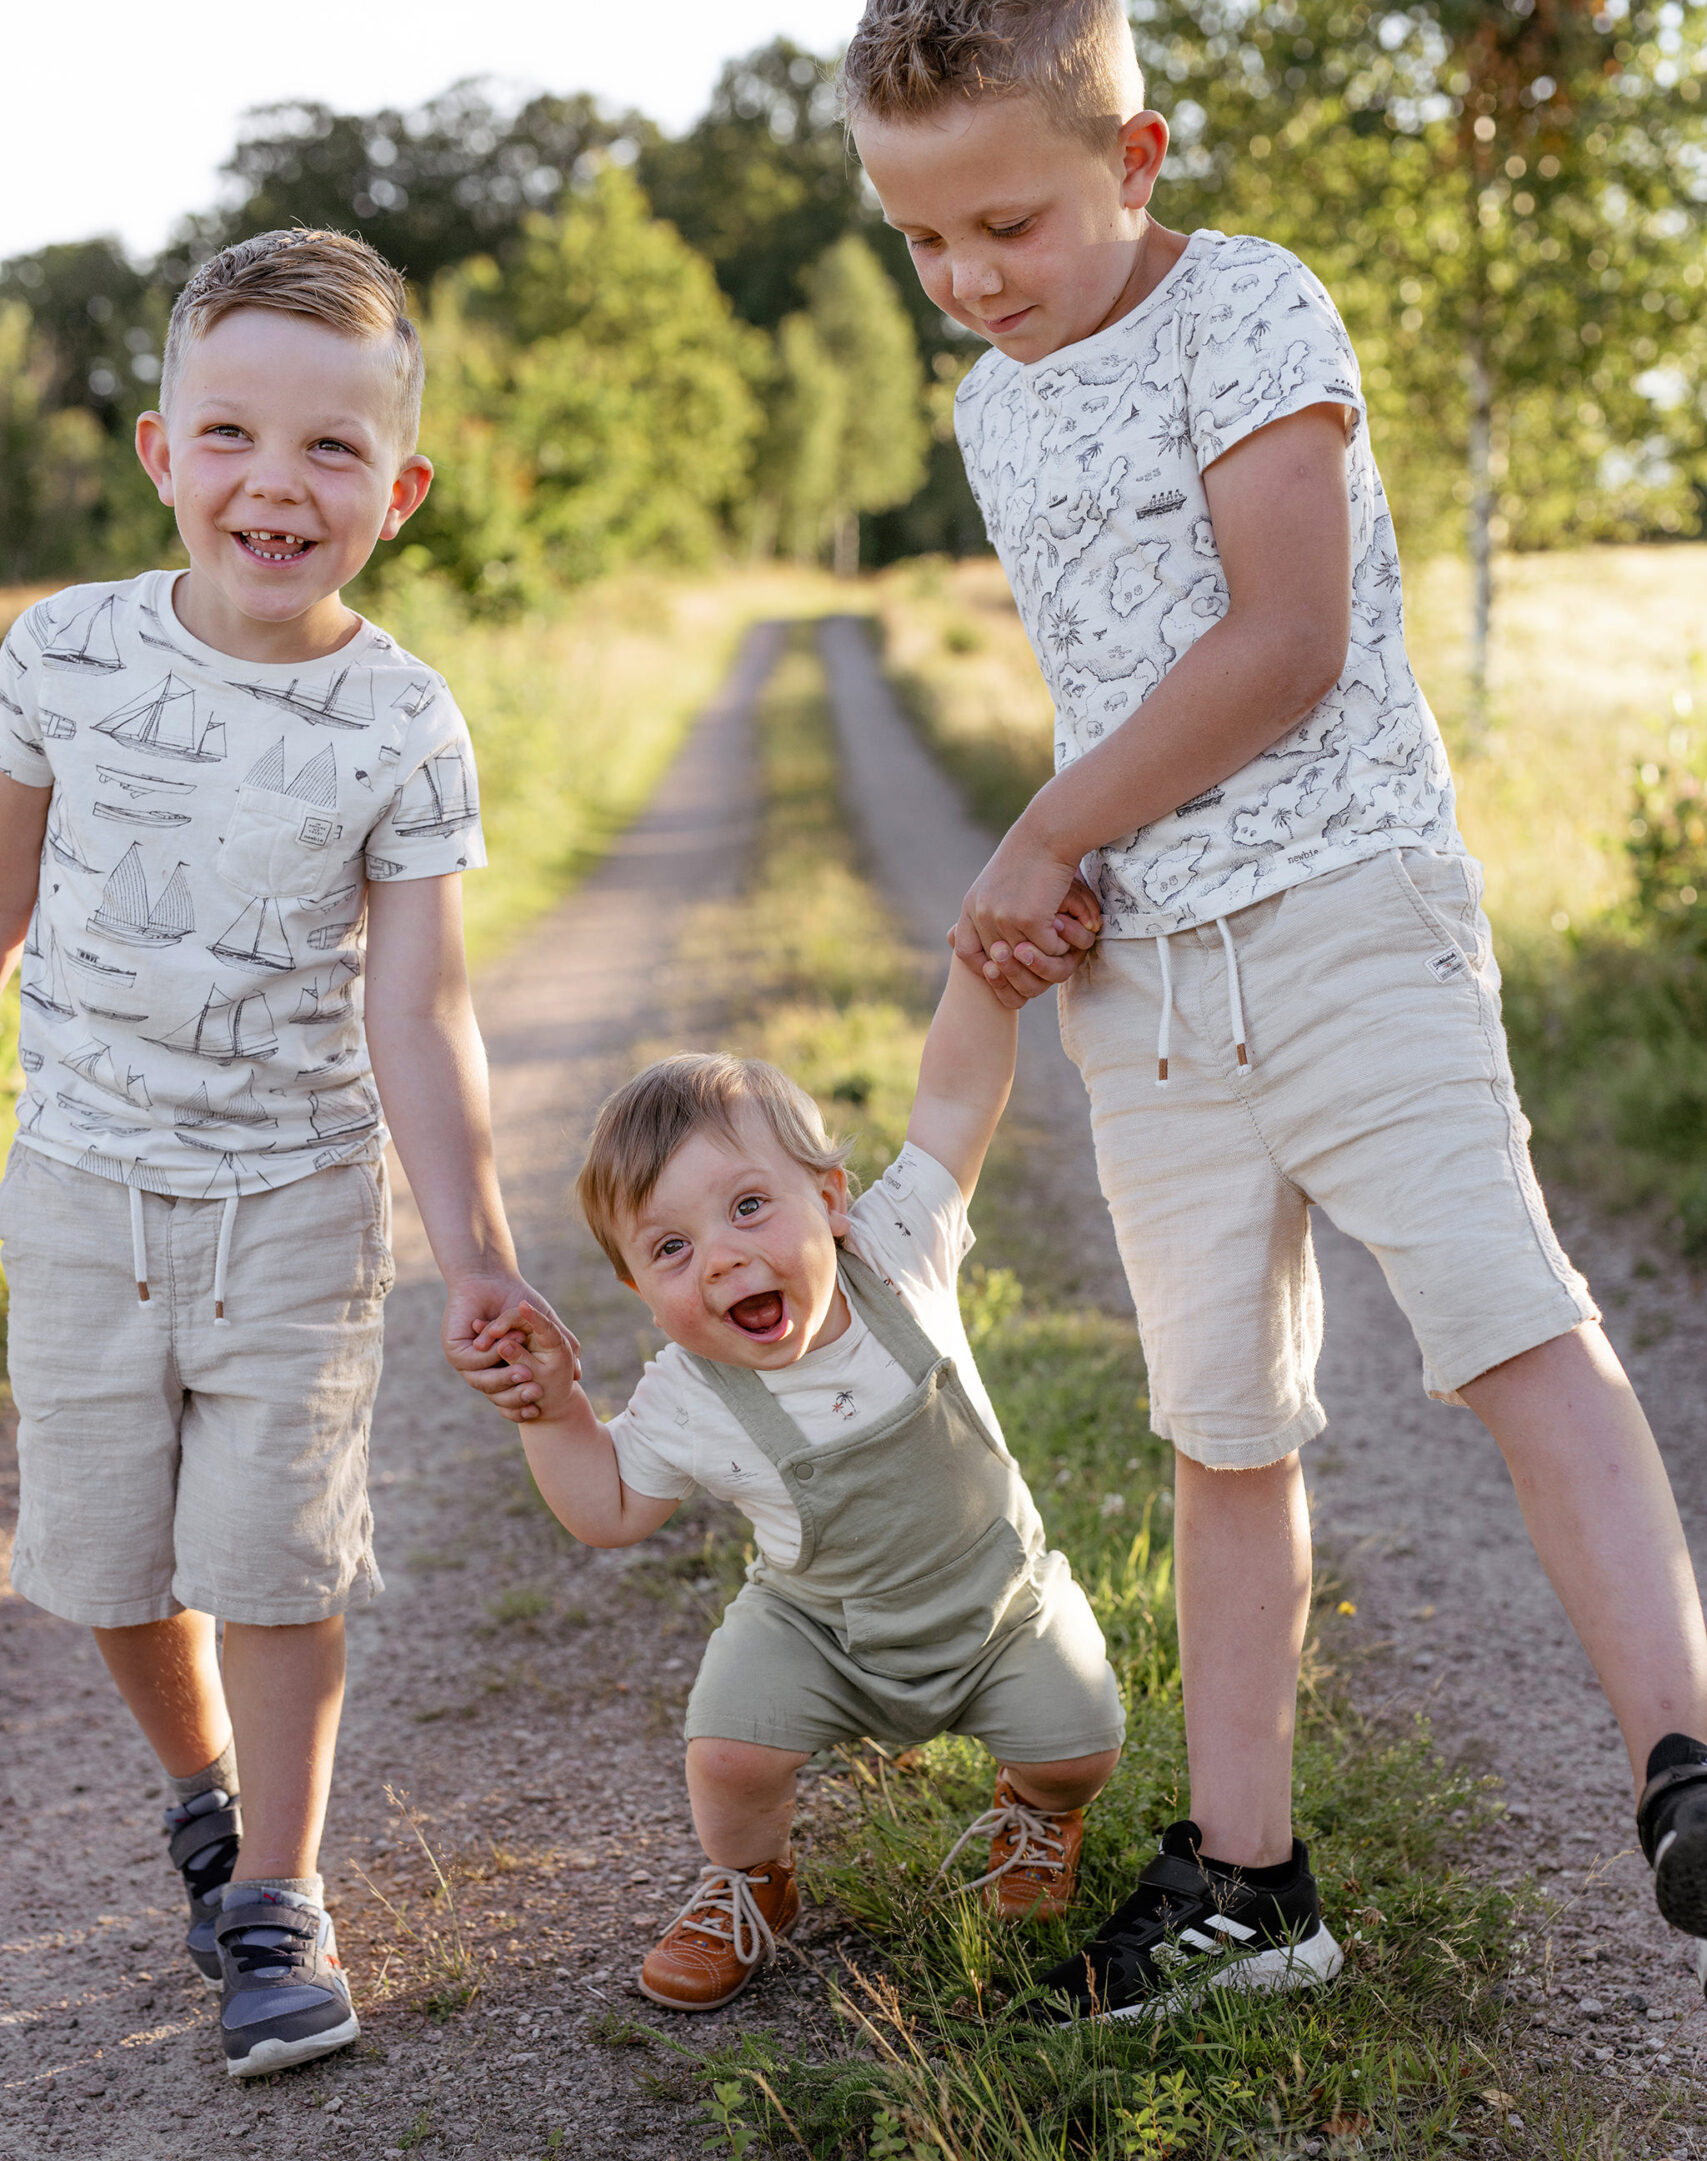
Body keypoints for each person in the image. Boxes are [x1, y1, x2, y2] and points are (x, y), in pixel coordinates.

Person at [841, 0, 1707, 2023]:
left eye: (1007, 226)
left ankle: (1679, 1754)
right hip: (1146, 987)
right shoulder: (991, 407)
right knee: (1220, 1429)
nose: (968, 280)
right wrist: (1066, 885)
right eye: (922, 244)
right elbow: (1105, 696)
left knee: (1510, 1322)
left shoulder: (1246, 306)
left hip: (1343, 918)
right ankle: (1250, 1881)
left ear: (1129, 168)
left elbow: (1284, 638)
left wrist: (1039, 824)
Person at [0, 229, 552, 2077]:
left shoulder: (400, 721)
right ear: (162, 452)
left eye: (330, 452)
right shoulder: (57, 654)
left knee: (274, 1557)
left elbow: (421, 1009)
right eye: (230, 432)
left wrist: (472, 1247)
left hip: (296, 1208)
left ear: (395, 493)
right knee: (101, 1557)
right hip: (78, 1187)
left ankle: (278, 1901)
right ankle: (199, 1797)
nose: (274, 485)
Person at [456, 950, 1149, 2015]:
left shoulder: (895, 1250)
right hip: (822, 1629)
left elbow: (958, 1095)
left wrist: (982, 969)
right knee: (728, 1753)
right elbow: (606, 1511)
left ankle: (1039, 1814)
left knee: (1084, 1746)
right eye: (674, 1248)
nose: (724, 1261)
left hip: (1002, 1609)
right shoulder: (689, 1392)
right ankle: (751, 1883)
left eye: (748, 1207)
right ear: (642, 1292)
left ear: (830, 1197)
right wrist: (553, 1412)